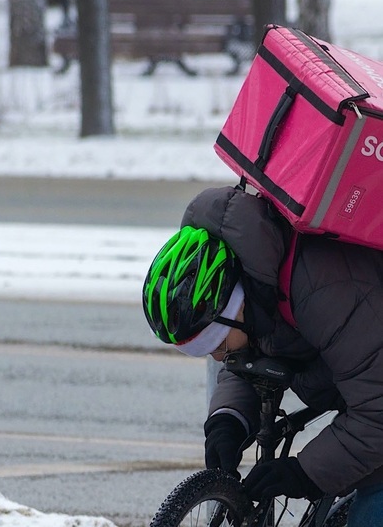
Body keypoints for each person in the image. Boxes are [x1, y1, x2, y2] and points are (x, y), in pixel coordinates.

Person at [141, 185, 383, 526]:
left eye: (217, 343)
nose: (216, 357)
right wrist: (228, 419)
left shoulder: (326, 291)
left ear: (233, 305)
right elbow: (249, 351)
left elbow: (377, 412)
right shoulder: (255, 281)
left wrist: (304, 472)